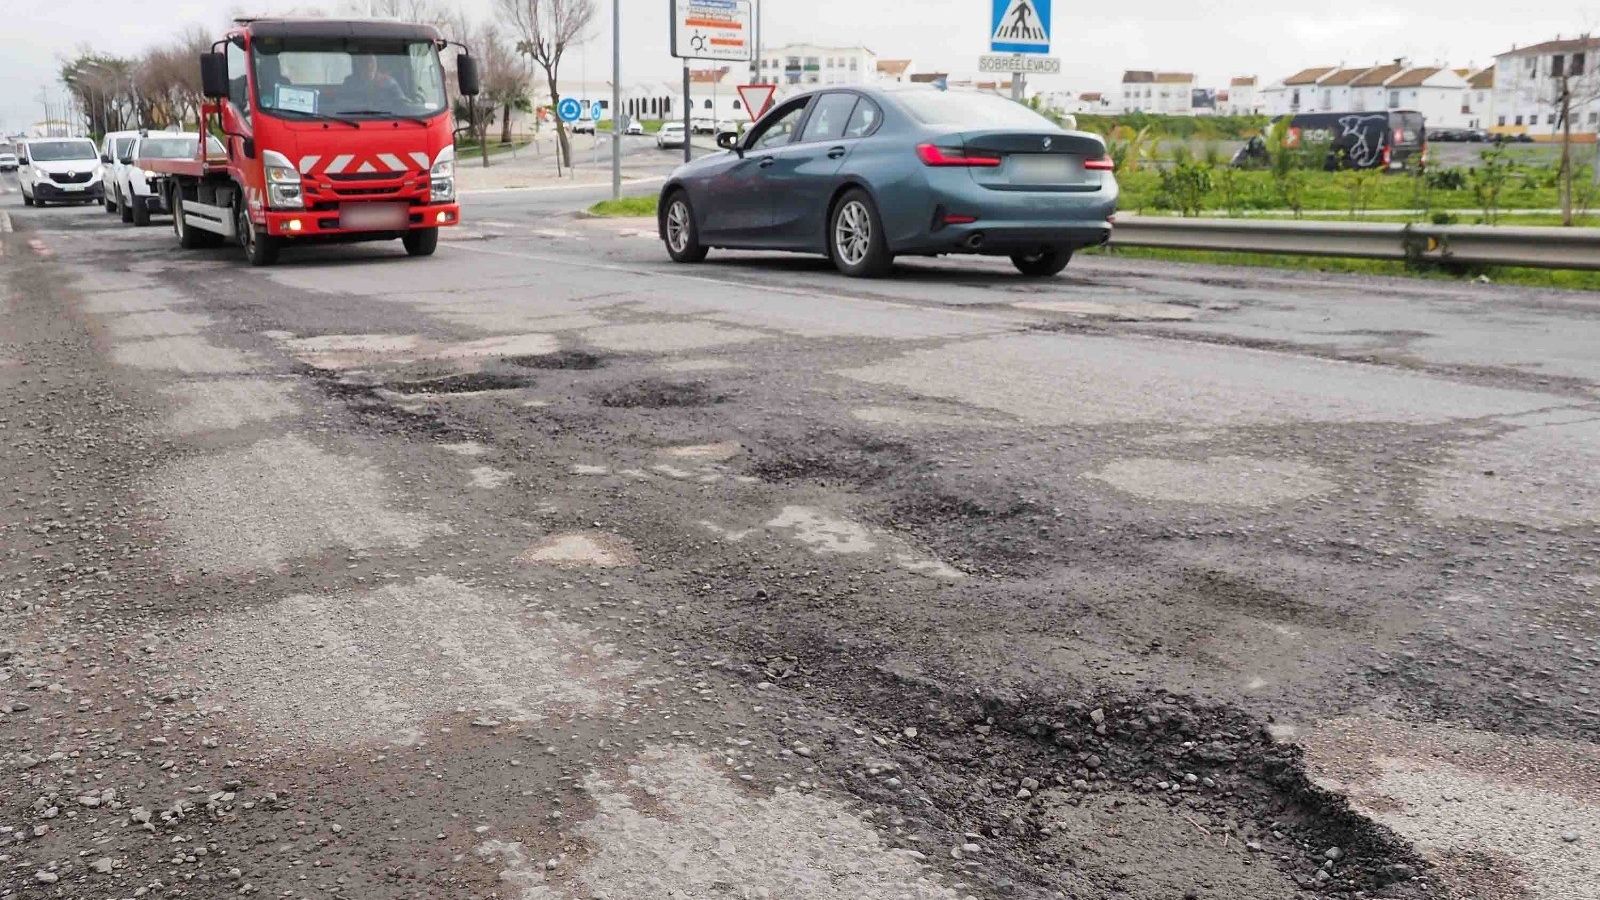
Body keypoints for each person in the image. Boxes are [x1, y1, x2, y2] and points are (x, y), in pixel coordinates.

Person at [341, 54, 407, 110]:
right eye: (364, 63)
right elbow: (342, 105)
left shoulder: (389, 82)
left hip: (385, 119)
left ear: (376, 64)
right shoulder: (349, 83)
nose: (368, 66)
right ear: (358, 65)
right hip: (354, 118)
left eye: (371, 62)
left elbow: (402, 105)